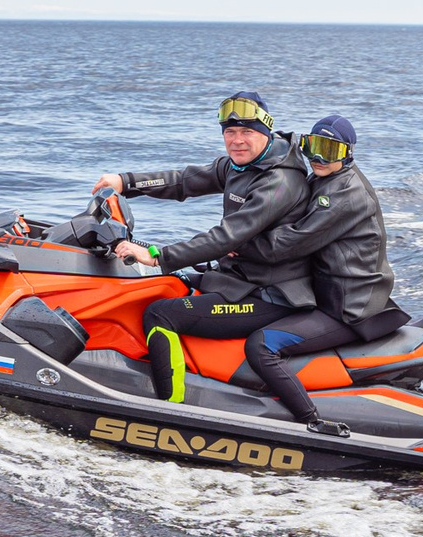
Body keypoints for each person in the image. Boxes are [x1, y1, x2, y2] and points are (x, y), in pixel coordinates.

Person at [91, 92, 314, 403]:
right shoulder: (241, 165)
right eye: (230, 132)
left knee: (160, 314)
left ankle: (171, 407)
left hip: (271, 295)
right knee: (158, 286)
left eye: (247, 132)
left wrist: (157, 255)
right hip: (239, 280)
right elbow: (184, 181)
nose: (237, 141)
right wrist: (126, 182)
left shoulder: (279, 182)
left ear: (266, 132)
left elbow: (225, 238)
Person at [238, 116, 410, 433]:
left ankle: (312, 420)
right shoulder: (326, 178)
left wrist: (235, 244)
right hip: (326, 293)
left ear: (347, 154)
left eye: (329, 150)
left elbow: (293, 241)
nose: (318, 158)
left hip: (347, 307)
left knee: (262, 344)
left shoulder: (344, 193)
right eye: (313, 147)